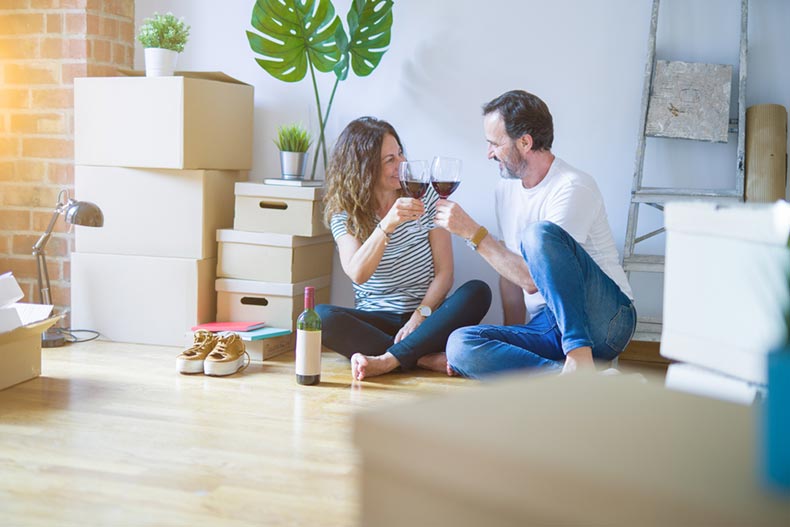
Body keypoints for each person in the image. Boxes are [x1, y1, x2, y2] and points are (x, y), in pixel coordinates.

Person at [434, 90, 636, 378]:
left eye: (494, 143)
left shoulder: (572, 186)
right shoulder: (505, 190)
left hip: (605, 319)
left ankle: (579, 356)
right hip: (549, 324)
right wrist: (508, 335)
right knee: (461, 345)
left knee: (537, 235)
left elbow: (531, 279)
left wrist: (473, 233)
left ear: (525, 142)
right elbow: (510, 276)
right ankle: (581, 380)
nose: (489, 153)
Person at [316, 116, 491, 381]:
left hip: (427, 318)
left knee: (478, 291)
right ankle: (419, 358)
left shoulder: (426, 196)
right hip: (375, 320)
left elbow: (445, 274)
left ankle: (387, 359)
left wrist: (419, 316)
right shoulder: (345, 214)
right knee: (321, 317)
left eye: (400, 154)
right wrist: (388, 223)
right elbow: (357, 272)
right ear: (364, 168)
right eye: (390, 160)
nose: (401, 164)